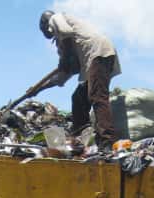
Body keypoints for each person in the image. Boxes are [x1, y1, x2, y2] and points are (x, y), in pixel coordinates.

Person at [38, 10, 121, 151]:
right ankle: (80, 136)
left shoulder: (56, 19)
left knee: (97, 96)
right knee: (78, 98)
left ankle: (107, 141)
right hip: (93, 61)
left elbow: (66, 33)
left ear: (45, 25)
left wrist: (64, 60)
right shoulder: (62, 43)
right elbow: (64, 75)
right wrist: (40, 88)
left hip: (97, 53)